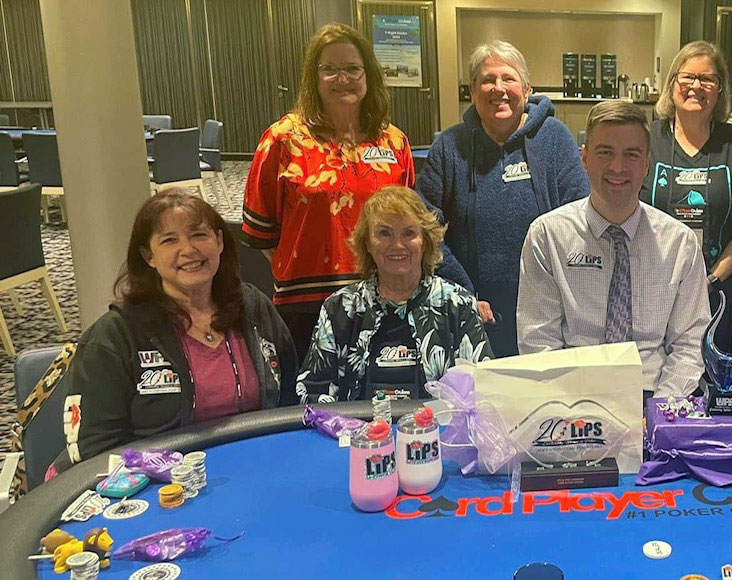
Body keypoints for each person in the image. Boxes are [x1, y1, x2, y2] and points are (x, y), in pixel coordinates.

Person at [53, 192, 296, 474]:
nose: (189, 249)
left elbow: (288, 397)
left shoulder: (253, 307)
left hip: (255, 471)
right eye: (170, 240)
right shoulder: (114, 337)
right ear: (149, 257)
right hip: (154, 488)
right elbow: (95, 449)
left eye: (199, 235)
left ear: (219, 241)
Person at [241, 23, 415, 358]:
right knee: (310, 402)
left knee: (376, 400)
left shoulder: (394, 142)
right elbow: (262, 234)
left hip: (384, 296)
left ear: (368, 75)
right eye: (330, 70)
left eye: (352, 68)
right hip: (305, 306)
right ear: (313, 77)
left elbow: (406, 228)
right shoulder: (282, 139)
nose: (343, 79)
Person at [518, 101, 711, 398]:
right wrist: (572, 408)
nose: (618, 167)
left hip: (655, 393)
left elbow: (690, 343)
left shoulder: (679, 244)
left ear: (646, 164)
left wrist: (661, 410)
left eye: (631, 155)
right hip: (573, 396)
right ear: (584, 158)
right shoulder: (547, 236)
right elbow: (538, 342)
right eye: (605, 152)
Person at [417, 40, 590, 357]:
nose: (498, 88)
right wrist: (462, 292)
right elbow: (425, 223)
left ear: (526, 89)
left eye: (508, 78)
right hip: (475, 315)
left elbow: (581, 220)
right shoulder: (450, 147)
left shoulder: (555, 138)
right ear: (472, 91)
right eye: (487, 79)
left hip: (552, 313)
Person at [296, 187, 493, 403]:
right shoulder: (339, 308)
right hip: (354, 434)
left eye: (409, 233)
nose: (398, 245)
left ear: (425, 241)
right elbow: (312, 394)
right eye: (384, 233)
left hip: (440, 433)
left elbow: (483, 390)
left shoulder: (459, 304)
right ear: (367, 243)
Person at [639, 40, 732, 349]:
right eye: (687, 77)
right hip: (651, 287)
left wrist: (710, 279)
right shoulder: (648, 138)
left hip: (721, 289)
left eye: (708, 79)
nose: (696, 86)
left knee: (716, 376)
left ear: (720, 89)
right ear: (672, 85)